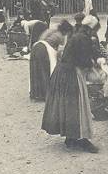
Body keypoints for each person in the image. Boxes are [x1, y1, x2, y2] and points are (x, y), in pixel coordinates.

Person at [41, 15, 100, 153]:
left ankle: (71, 137)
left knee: (67, 106)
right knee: (78, 106)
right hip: (71, 73)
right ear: (90, 29)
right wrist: (95, 65)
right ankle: (82, 138)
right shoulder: (83, 38)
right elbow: (84, 60)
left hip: (62, 72)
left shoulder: (76, 35)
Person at [29, 25, 65, 101]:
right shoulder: (60, 35)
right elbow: (60, 50)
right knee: (46, 71)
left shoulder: (49, 31)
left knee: (35, 70)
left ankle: (35, 93)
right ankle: (45, 94)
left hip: (36, 46)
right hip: (45, 49)